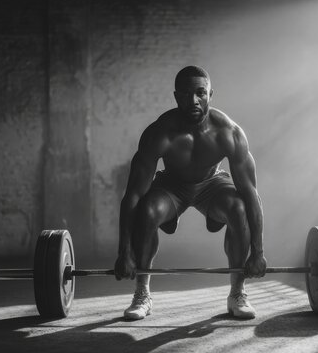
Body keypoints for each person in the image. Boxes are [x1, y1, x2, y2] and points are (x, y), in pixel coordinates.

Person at [114, 65, 266, 320]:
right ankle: (142, 294)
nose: (193, 100)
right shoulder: (159, 133)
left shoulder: (229, 133)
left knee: (238, 207)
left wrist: (258, 253)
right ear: (176, 97)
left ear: (210, 94)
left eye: (200, 93)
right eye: (185, 94)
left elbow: (251, 194)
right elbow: (132, 196)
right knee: (147, 209)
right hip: (172, 186)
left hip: (212, 184)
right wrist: (123, 253)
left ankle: (237, 294)